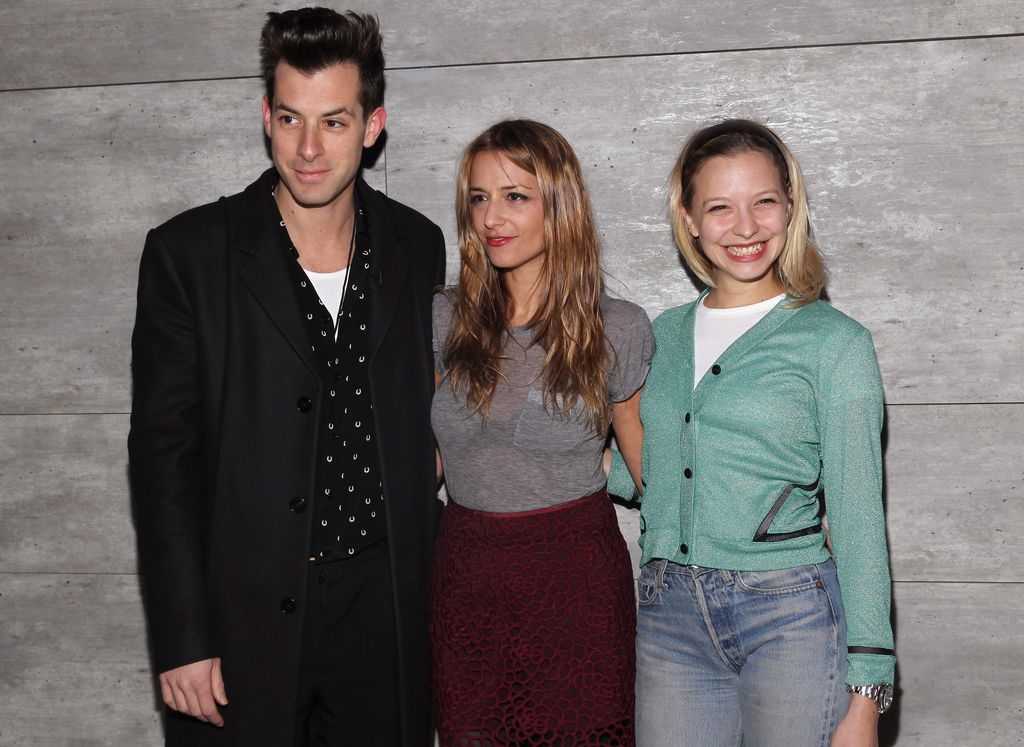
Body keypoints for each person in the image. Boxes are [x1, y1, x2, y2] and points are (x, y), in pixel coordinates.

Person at [128, 8, 445, 746]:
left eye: (334, 122)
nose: (308, 148)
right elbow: (162, 461)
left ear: (372, 126)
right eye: (291, 119)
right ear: (265, 116)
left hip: (384, 613)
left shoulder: (416, 245)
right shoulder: (189, 255)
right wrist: (182, 634)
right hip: (241, 619)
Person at [606, 119, 895, 746]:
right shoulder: (663, 334)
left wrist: (867, 693)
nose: (745, 227)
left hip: (788, 614)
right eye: (719, 208)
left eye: (763, 202)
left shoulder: (835, 343)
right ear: (688, 218)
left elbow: (858, 519)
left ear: (790, 207)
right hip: (668, 616)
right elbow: (639, 476)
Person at [430, 119, 653, 745]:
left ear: (559, 205)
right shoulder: (445, 317)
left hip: (573, 581)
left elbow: (646, 460)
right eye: (479, 197)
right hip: (466, 578)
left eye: (515, 196)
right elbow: (429, 462)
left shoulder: (618, 328)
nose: (491, 217)